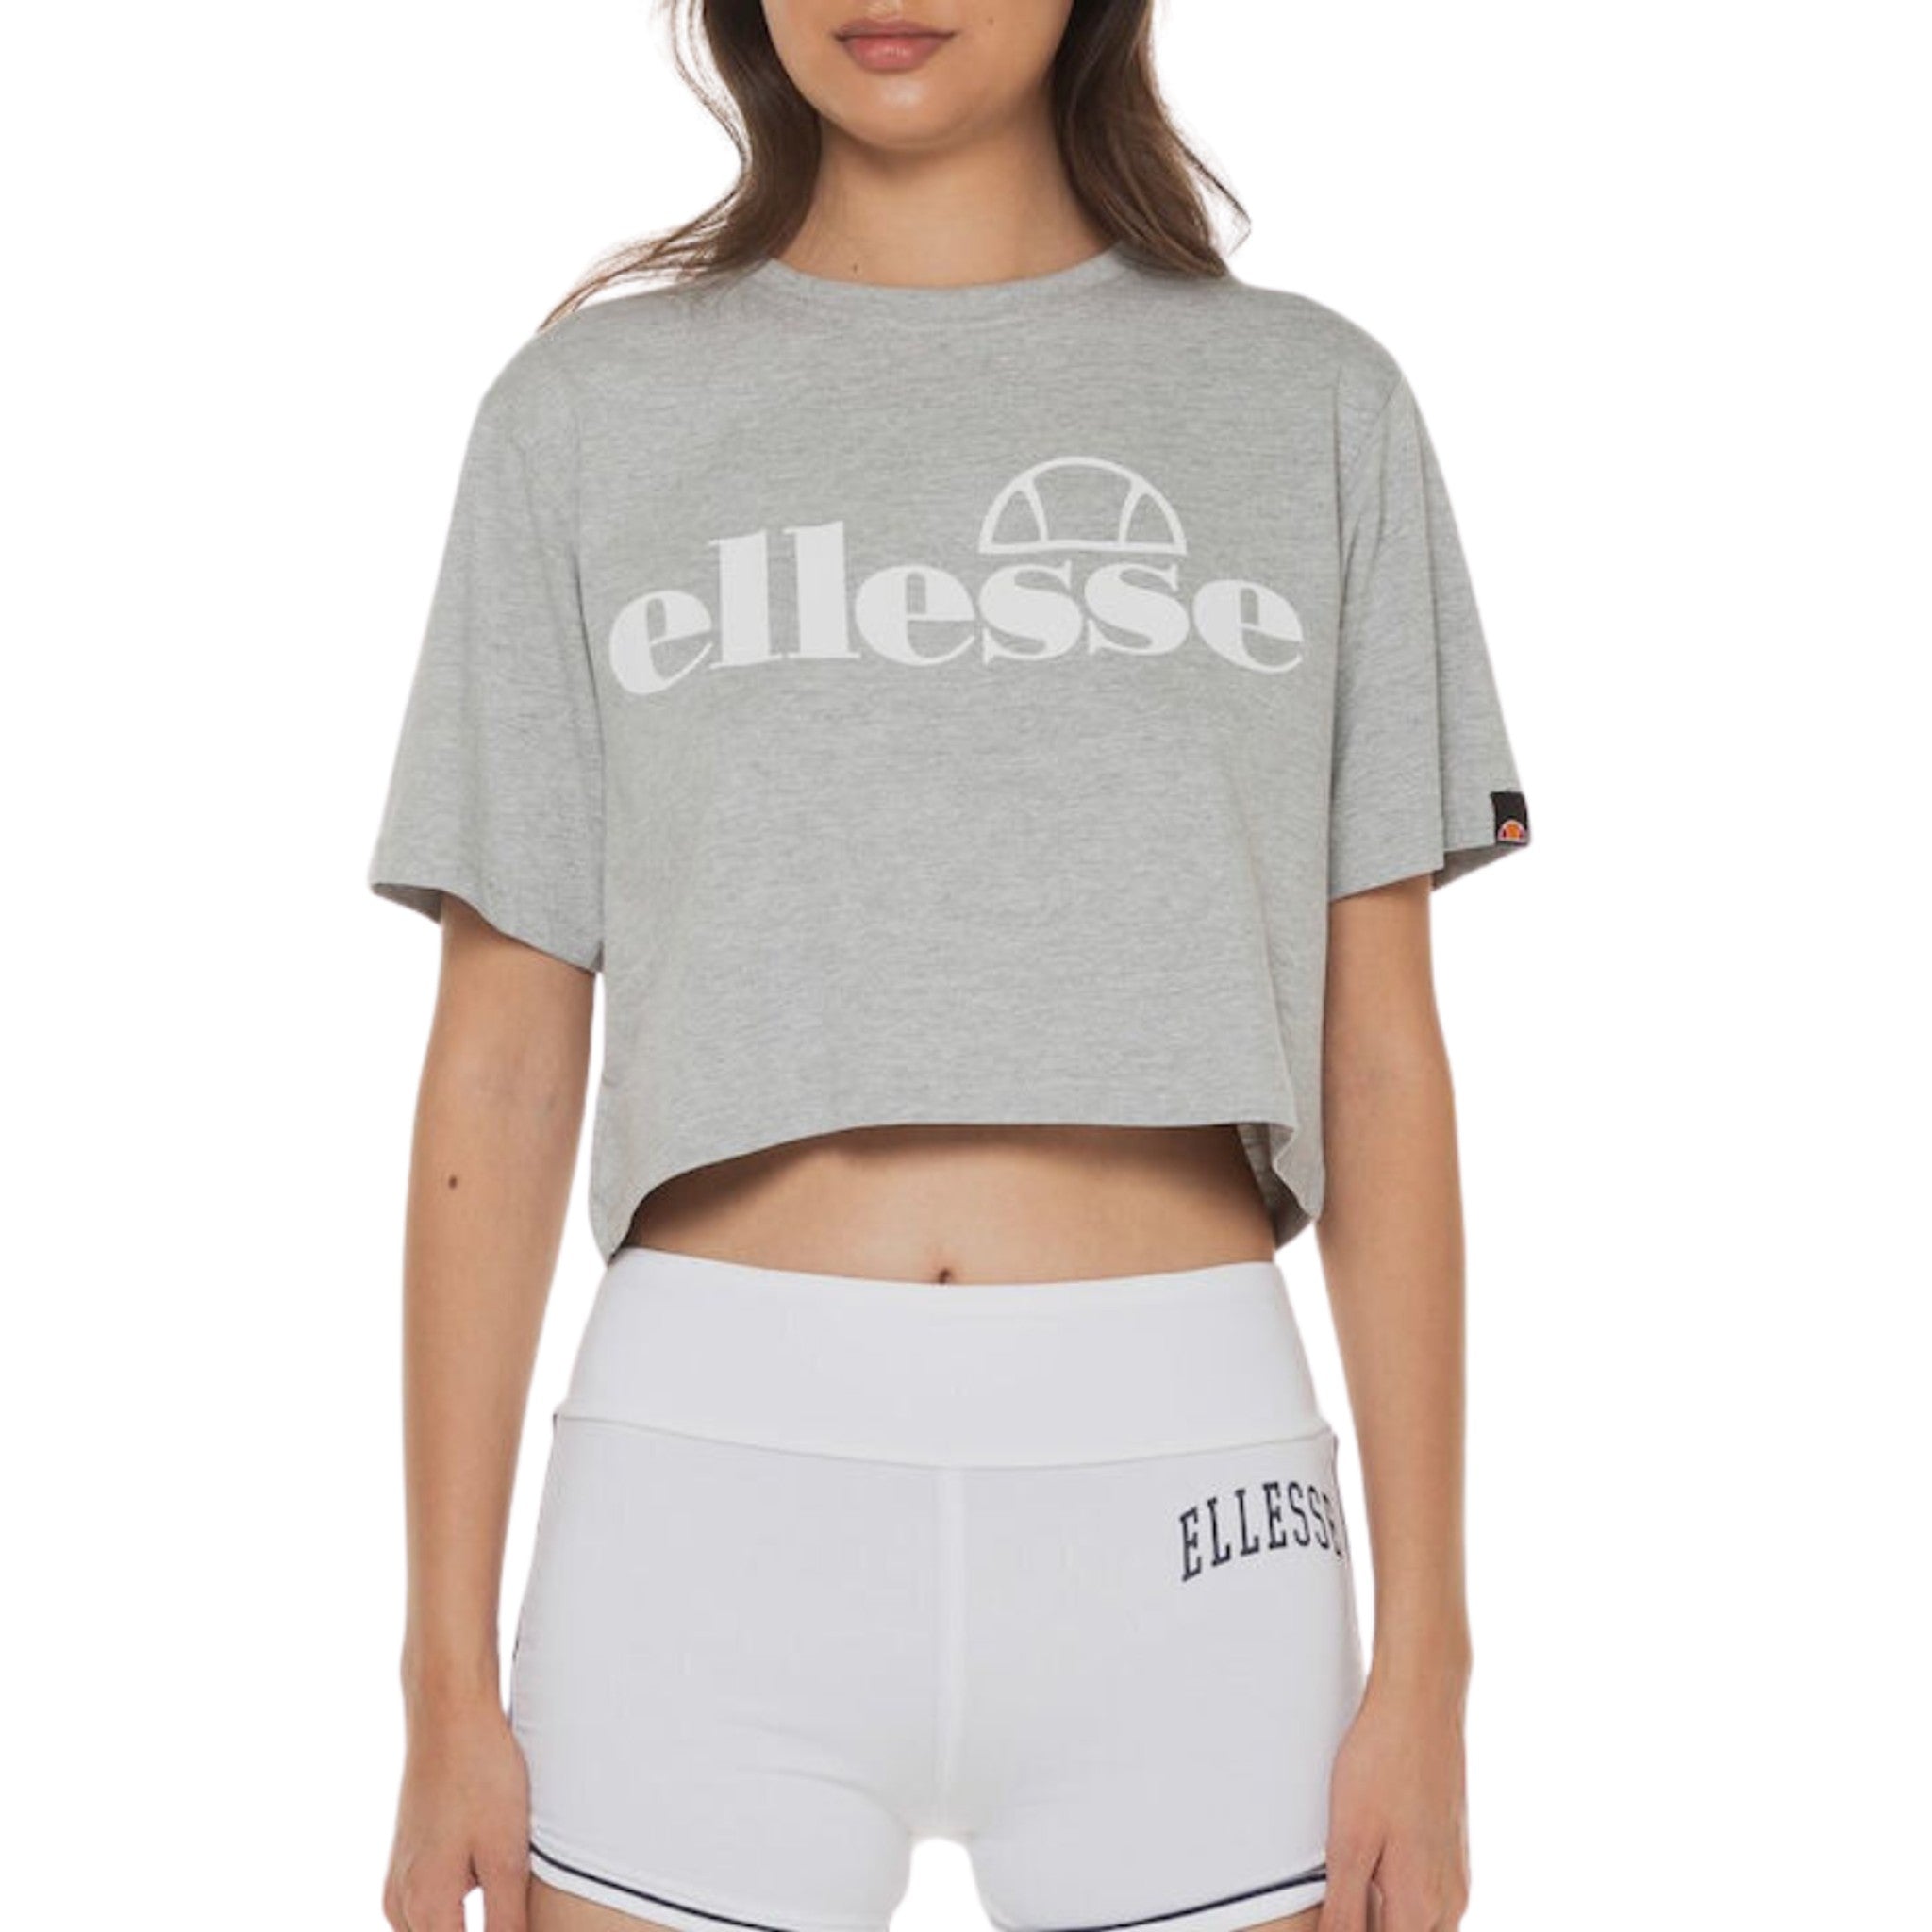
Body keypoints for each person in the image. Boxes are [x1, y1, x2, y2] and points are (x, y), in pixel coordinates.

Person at [365, 6, 1532, 1932]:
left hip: (1190, 1521)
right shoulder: (583, 419)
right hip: (699, 1510)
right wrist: (438, 1681)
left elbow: (1382, 1060)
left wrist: (1432, 1668)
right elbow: (497, 1062)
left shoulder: (1311, 405)